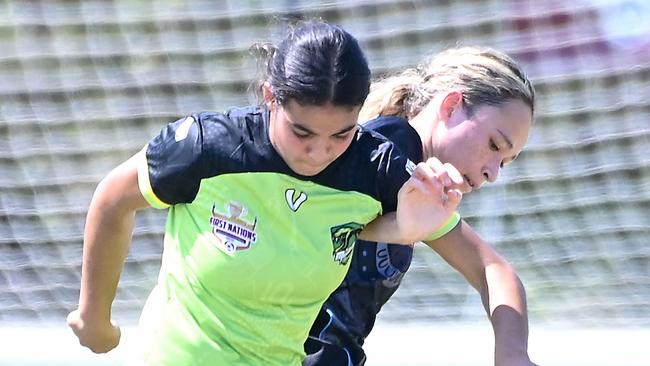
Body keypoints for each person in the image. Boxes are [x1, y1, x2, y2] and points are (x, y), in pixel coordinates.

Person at [66, 21, 465, 366]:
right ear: (271, 97)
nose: (319, 152)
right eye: (302, 132)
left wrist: (408, 226)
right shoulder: (208, 148)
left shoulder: (375, 169)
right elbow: (112, 200)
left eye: (341, 134)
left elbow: (488, 268)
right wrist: (93, 316)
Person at [304, 46, 538, 366]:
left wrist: (513, 356)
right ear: (452, 106)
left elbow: (493, 270)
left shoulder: (419, 184)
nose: (493, 173)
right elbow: (306, 223)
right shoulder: (390, 146)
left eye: (505, 162)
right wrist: (399, 229)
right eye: (494, 145)